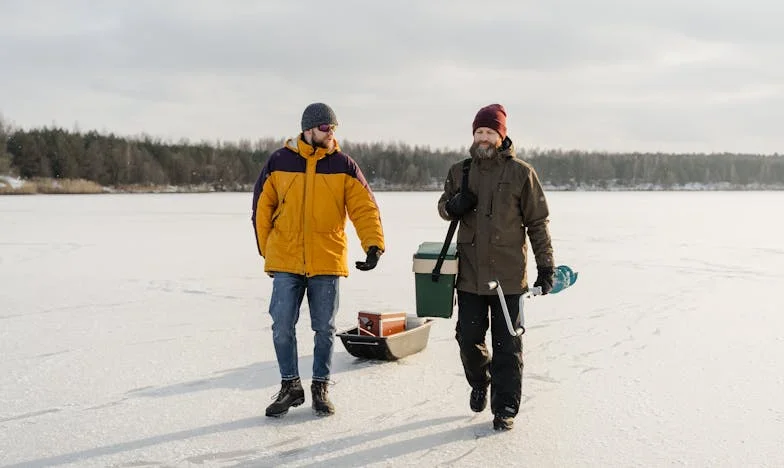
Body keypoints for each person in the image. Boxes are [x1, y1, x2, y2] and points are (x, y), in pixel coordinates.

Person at [252, 102, 385, 418]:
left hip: (326, 259)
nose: (331, 133)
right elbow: (261, 208)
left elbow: (364, 207)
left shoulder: (343, 164)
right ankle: (290, 386)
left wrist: (373, 245)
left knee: (324, 328)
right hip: (285, 259)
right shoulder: (279, 161)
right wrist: (267, 251)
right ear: (309, 129)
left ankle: (320, 387)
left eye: (333, 128)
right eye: (326, 127)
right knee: (282, 326)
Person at [437, 103, 555, 431]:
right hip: (470, 274)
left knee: (508, 346)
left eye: (489, 132)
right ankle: (479, 380)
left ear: (501, 135)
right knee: (468, 339)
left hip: (508, 278)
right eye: (479, 132)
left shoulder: (521, 173)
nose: (483, 138)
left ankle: (505, 408)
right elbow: (443, 207)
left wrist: (546, 266)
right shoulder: (460, 170)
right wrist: (452, 206)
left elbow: (538, 222)